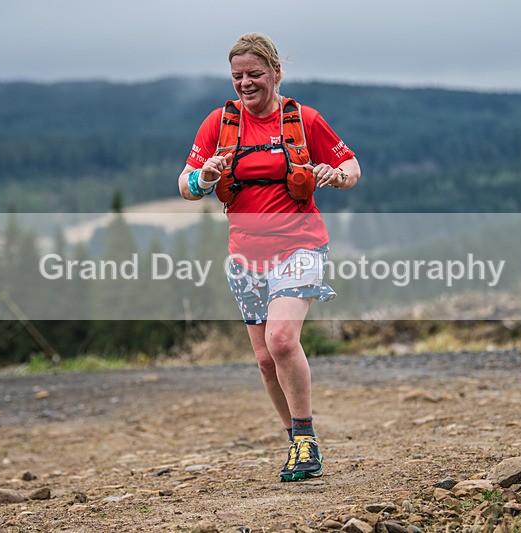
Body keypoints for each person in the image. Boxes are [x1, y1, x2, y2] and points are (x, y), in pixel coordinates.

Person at [178, 32, 360, 482]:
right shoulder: (218, 124)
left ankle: (305, 438)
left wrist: (334, 175)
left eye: (255, 74)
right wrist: (203, 177)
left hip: (301, 245)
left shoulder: (304, 119)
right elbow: (185, 185)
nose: (245, 83)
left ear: (276, 73)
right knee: (264, 360)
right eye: (237, 75)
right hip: (245, 256)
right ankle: (295, 440)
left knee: (281, 340)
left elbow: (353, 167)